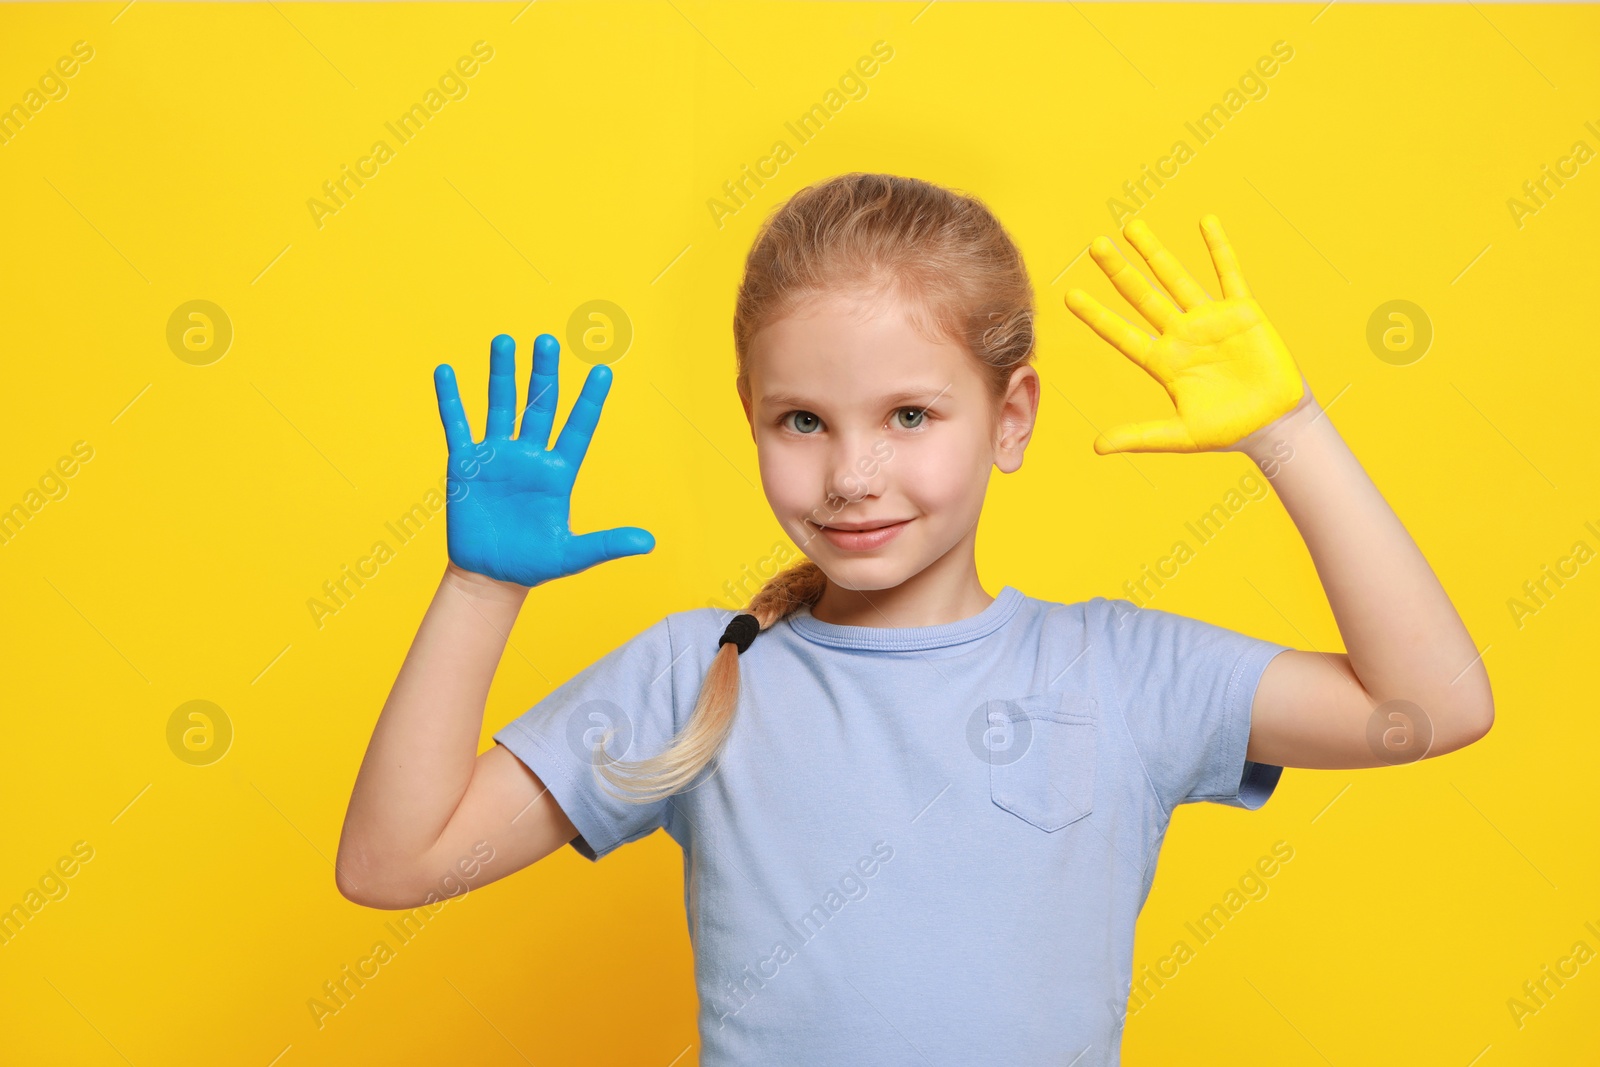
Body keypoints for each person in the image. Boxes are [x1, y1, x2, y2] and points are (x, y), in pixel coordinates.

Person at [335, 173, 1494, 1065]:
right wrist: (478, 590)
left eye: (906, 414)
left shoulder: (1118, 668)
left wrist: (1286, 433)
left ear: (1010, 415)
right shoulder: (699, 671)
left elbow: (1430, 709)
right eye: (801, 420)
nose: (850, 473)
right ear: (749, 415)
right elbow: (395, 864)